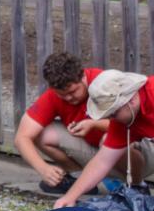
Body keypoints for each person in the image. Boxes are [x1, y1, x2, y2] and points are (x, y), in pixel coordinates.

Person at [55, 70, 154, 208]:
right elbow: (102, 161)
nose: (110, 119)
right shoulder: (124, 120)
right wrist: (70, 197)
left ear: (131, 100)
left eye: (113, 113)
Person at [14, 52, 106, 193]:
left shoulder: (103, 83)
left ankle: (133, 185)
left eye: (73, 91)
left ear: (83, 76)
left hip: (123, 152)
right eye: (62, 94)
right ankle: (78, 177)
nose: (68, 98)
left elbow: (131, 125)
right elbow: (21, 137)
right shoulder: (52, 96)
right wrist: (43, 168)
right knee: (41, 133)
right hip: (92, 151)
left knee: (110, 137)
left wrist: (94, 124)